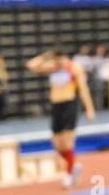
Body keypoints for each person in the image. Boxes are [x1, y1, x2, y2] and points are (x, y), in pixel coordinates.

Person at [26, 47, 96, 187]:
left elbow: (83, 89)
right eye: (56, 60)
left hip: (69, 105)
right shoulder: (52, 67)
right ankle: (73, 165)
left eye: (60, 60)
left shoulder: (74, 68)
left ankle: (69, 175)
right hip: (56, 106)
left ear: (65, 58)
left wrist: (89, 109)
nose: (58, 63)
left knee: (67, 141)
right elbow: (31, 65)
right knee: (57, 144)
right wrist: (46, 56)